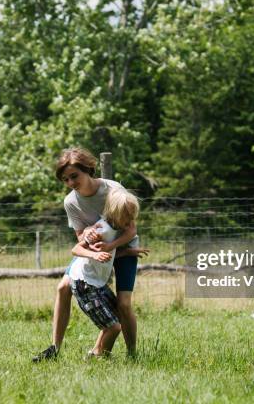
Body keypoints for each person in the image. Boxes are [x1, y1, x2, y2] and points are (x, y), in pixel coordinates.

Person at [32, 148, 148, 362]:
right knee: (63, 286)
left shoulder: (113, 189)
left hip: (123, 244)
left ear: (88, 170)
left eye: (74, 176)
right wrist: (88, 237)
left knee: (123, 303)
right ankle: (54, 349)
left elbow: (130, 227)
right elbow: (79, 239)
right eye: (65, 179)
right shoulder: (71, 202)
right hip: (96, 250)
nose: (70, 182)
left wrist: (115, 247)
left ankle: (132, 355)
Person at [67, 188, 140, 357]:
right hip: (84, 283)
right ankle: (101, 357)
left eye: (132, 216)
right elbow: (75, 249)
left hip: (97, 284)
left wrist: (128, 252)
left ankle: (95, 354)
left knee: (118, 315)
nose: (130, 221)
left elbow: (109, 253)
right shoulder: (100, 229)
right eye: (127, 216)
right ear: (115, 213)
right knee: (113, 327)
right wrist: (94, 254)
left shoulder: (117, 228)